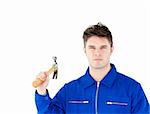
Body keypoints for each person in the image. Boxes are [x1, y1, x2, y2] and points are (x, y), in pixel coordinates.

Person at [34, 22, 149, 114]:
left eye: (103, 47)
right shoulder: (70, 91)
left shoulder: (132, 89)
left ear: (111, 49)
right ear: (85, 50)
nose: (97, 53)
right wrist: (41, 91)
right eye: (92, 47)